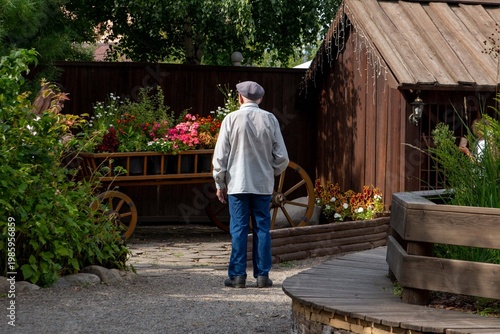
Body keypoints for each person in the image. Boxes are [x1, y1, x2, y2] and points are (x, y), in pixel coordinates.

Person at [212, 81, 289, 288]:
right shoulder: (270, 119)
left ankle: (238, 276)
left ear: (239, 97)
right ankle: (262, 275)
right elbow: (282, 158)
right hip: (262, 185)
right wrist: (269, 171)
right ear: (261, 99)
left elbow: (220, 156)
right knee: (262, 229)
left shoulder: (231, 119)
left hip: (237, 184)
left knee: (238, 229)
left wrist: (220, 183)